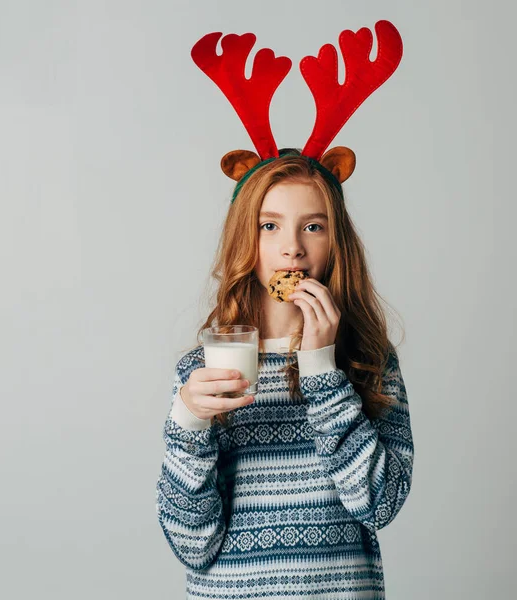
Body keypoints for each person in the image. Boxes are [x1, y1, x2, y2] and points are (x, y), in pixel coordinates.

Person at [156, 22, 414, 600]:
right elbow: (190, 544)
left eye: (312, 226)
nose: (291, 246)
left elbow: (380, 505)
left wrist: (323, 369)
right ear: (246, 241)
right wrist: (189, 423)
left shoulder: (370, 361)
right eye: (269, 226)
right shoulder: (204, 371)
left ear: (333, 244)